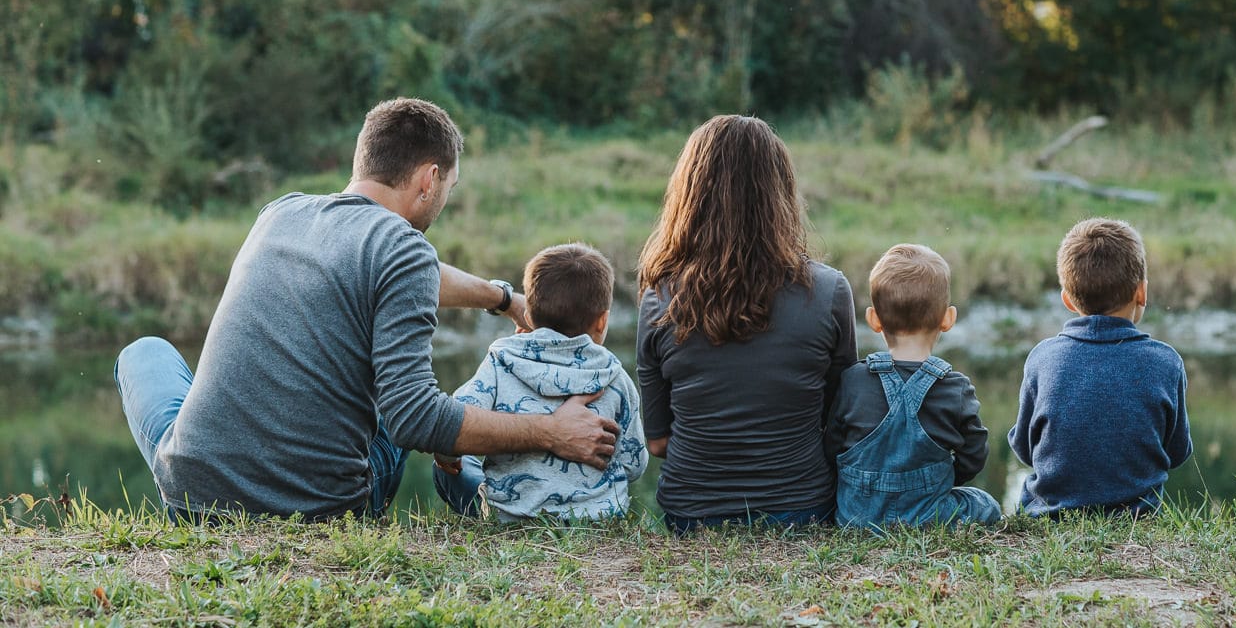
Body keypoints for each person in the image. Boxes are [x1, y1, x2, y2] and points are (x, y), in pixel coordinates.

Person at [113, 97, 617, 519]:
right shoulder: (403, 249)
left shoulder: (280, 214)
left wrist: (502, 299)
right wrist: (549, 432)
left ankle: (200, 456)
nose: (443, 198)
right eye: (448, 188)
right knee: (396, 401)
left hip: (192, 494)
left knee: (144, 351)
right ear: (429, 179)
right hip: (319, 508)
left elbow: (402, 274)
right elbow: (414, 418)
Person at [635, 114, 856, 532]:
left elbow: (659, 441)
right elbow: (838, 422)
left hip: (691, 515)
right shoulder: (830, 292)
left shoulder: (658, 298)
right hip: (802, 510)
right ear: (780, 193)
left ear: (689, 194)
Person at [432, 243, 647, 521]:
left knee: (447, 468)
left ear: (528, 316)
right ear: (602, 321)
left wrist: (447, 459)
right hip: (597, 518)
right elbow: (634, 465)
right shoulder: (615, 377)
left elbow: (451, 429)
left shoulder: (502, 360)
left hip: (512, 517)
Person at [1007, 217, 1192, 517]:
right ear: (1141, 292)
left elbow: (1025, 449)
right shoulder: (1166, 361)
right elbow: (1177, 451)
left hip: (1050, 514)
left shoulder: (1042, 358)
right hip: (1138, 516)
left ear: (1067, 299)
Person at [824, 243, 1002, 528]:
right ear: (948, 319)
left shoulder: (853, 380)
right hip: (929, 514)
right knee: (985, 504)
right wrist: (946, 480)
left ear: (874, 319)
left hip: (856, 516)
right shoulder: (955, 388)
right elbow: (975, 452)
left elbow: (833, 445)